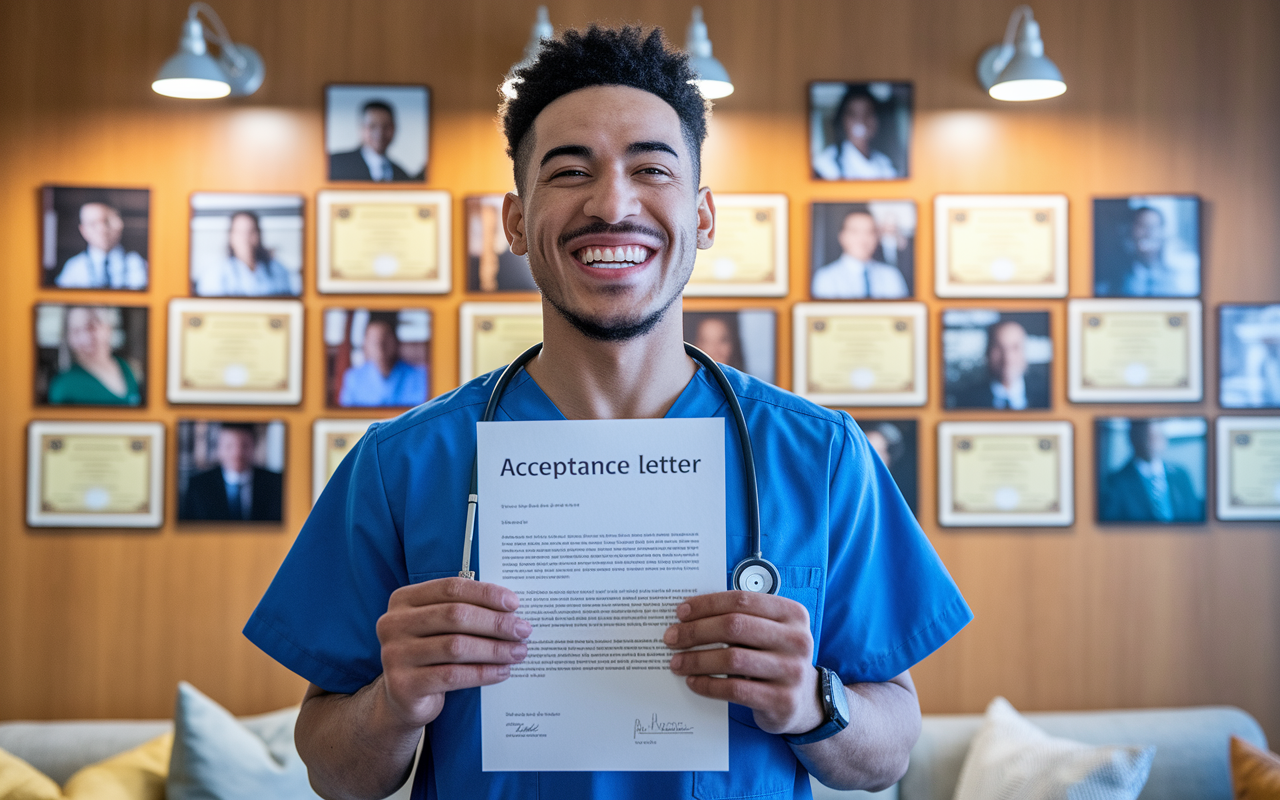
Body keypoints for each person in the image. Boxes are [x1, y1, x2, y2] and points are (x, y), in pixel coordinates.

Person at [246, 26, 970, 799]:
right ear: (517, 223)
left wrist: (809, 702)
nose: (612, 203)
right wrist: (394, 704)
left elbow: (888, 749)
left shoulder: (820, 456)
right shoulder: (401, 464)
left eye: (651, 168)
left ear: (705, 216)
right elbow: (333, 770)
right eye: (568, 171)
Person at [1099, 420, 1202, 523]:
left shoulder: (1181, 475)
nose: (1153, 443)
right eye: (1148, 437)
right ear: (1133, 438)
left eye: (1156, 437)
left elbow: (1194, 516)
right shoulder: (1115, 482)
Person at [179, 424, 283, 522]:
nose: (237, 453)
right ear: (218, 448)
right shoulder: (198, 485)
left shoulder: (277, 483)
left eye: (245, 445)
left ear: (254, 447)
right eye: (229, 446)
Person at [46, 306, 142, 406]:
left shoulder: (125, 367)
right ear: (69, 338)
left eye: (91, 327)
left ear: (107, 327)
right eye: (76, 331)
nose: (85, 338)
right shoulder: (63, 385)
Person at [1096, 205, 1199, 297]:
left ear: (1163, 233)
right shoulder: (1108, 284)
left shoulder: (1181, 281)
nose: (1149, 233)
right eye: (1142, 226)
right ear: (1129, 232)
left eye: (1154, 227)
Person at [948, 319, 1050, 410]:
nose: (1007, 358)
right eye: (998, 348)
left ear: (1025, 352)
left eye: (1015, 347)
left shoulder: (1048, 395)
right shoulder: (966, 401)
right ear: (987, 352)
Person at [194, 211, 300, 297]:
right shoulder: (215, 273)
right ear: (231, 236)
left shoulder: (278, 269)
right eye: (239, 232)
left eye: (251, 231)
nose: (245, 238)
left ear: (259, 235)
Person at [811, 208, 910, 299]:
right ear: (842, 236)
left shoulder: (891, 276)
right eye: (855, 232)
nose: (862, 239)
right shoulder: (826, 277)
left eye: (869, 232)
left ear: (877, 238)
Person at [337, 315, 429, 407]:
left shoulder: (420, 376)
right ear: (365, 345)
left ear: (396, 342)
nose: (380, 346)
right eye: (374, 341)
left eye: (385, 339)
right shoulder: (353, 378)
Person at [55, 202, 148, 290]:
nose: (102, 230)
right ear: (83, 230)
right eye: (92, 224)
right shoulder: (74, 268)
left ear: (120, 223)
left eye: (107, 221)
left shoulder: (138, 264)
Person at [811, 86, 898, 180]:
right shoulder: (826, 164)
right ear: (842, 120)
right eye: (853, 115)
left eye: (868, 113)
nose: (861, 121)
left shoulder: (884, 163)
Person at [329, 100, 413, 182]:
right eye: (372, 126)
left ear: (394, 129)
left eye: (386, 127)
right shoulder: (333, 164)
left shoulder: (402, 175)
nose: (380, 133)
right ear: (361, 128)